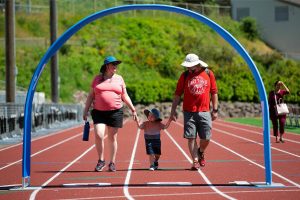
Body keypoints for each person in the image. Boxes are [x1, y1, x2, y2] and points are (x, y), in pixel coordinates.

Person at [83, 55, 137, 172]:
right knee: (99, 134)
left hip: (115, 111)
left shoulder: (120, 79)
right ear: (107, 66)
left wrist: (133, 109)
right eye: (113, 64)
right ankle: (101, 160)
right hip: (99, 112)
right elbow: (91, 96)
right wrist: (86, 110)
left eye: (116, 64)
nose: (116, 66)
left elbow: (124, 95)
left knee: (112, 137)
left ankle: (112, 162)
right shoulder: (97, 79)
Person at [169, 53, 218, 170]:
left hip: (205, 111)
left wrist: (215, 109)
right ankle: (195, 160)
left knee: (206, 137)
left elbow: (214, 92)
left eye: (190, 66)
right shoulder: (184, 75)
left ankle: (201, 151)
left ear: (197, 64)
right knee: (191, 137)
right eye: (187, 66)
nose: (188, 68)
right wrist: (173, 111)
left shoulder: (208, 73)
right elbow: (177, 94)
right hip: (189, 111)